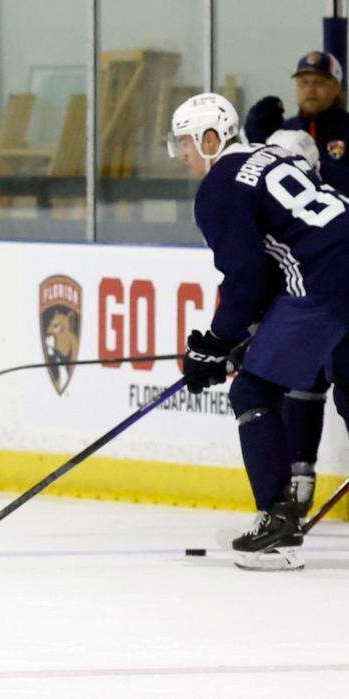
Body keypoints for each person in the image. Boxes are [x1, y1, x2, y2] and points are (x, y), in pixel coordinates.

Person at [169, 92, 349, 571]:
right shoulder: (272, 154)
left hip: (326, 281)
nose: (181, 153)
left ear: (211, 139)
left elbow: (248, 276)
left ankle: (277, 528)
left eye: (184, 142)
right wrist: (237, 338)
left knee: (251, 392)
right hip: (339, 265)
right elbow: (277, 261)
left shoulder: (218, 187)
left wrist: (216, 344)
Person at [242, 50, 349, 516]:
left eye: (319, 81)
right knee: (301, 382)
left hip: (340, 273)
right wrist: (255, 136)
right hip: (304, 280)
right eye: (302, 80)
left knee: (346, 381)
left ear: (337, 87)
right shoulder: (281, 132)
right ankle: (299, 479)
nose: (309, 88)